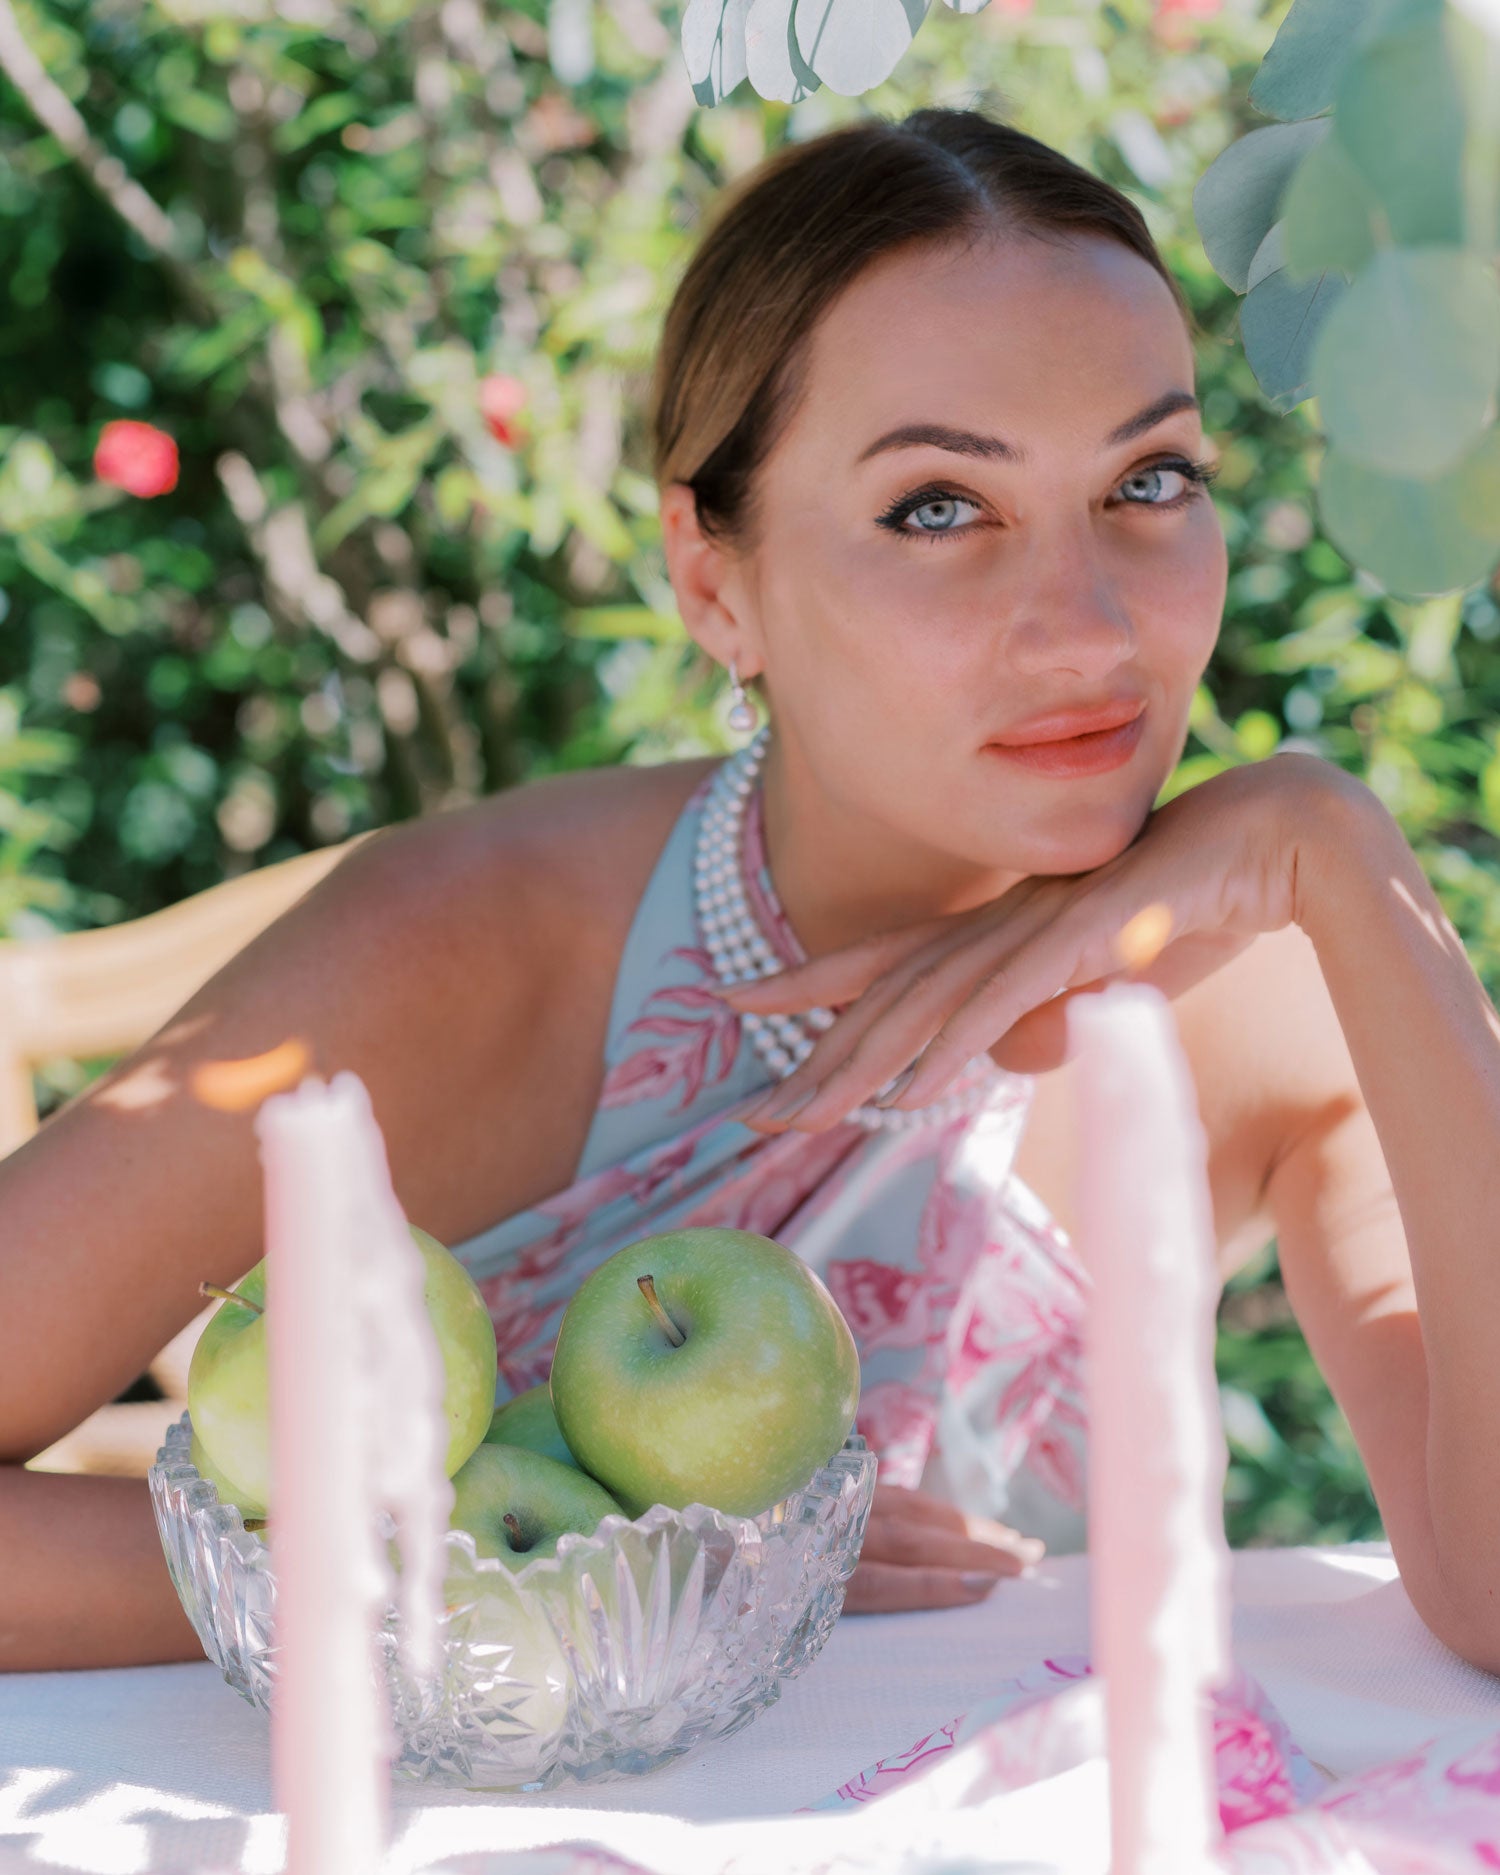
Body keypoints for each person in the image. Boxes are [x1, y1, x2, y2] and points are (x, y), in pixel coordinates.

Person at [5, 105, 1500, 1679]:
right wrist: (557, 1559)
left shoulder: (1268, 991)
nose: (1088, 634)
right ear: (717, 582)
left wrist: (1340, 849)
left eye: (1149, 481)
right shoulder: (464, 956)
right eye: (938, 508)